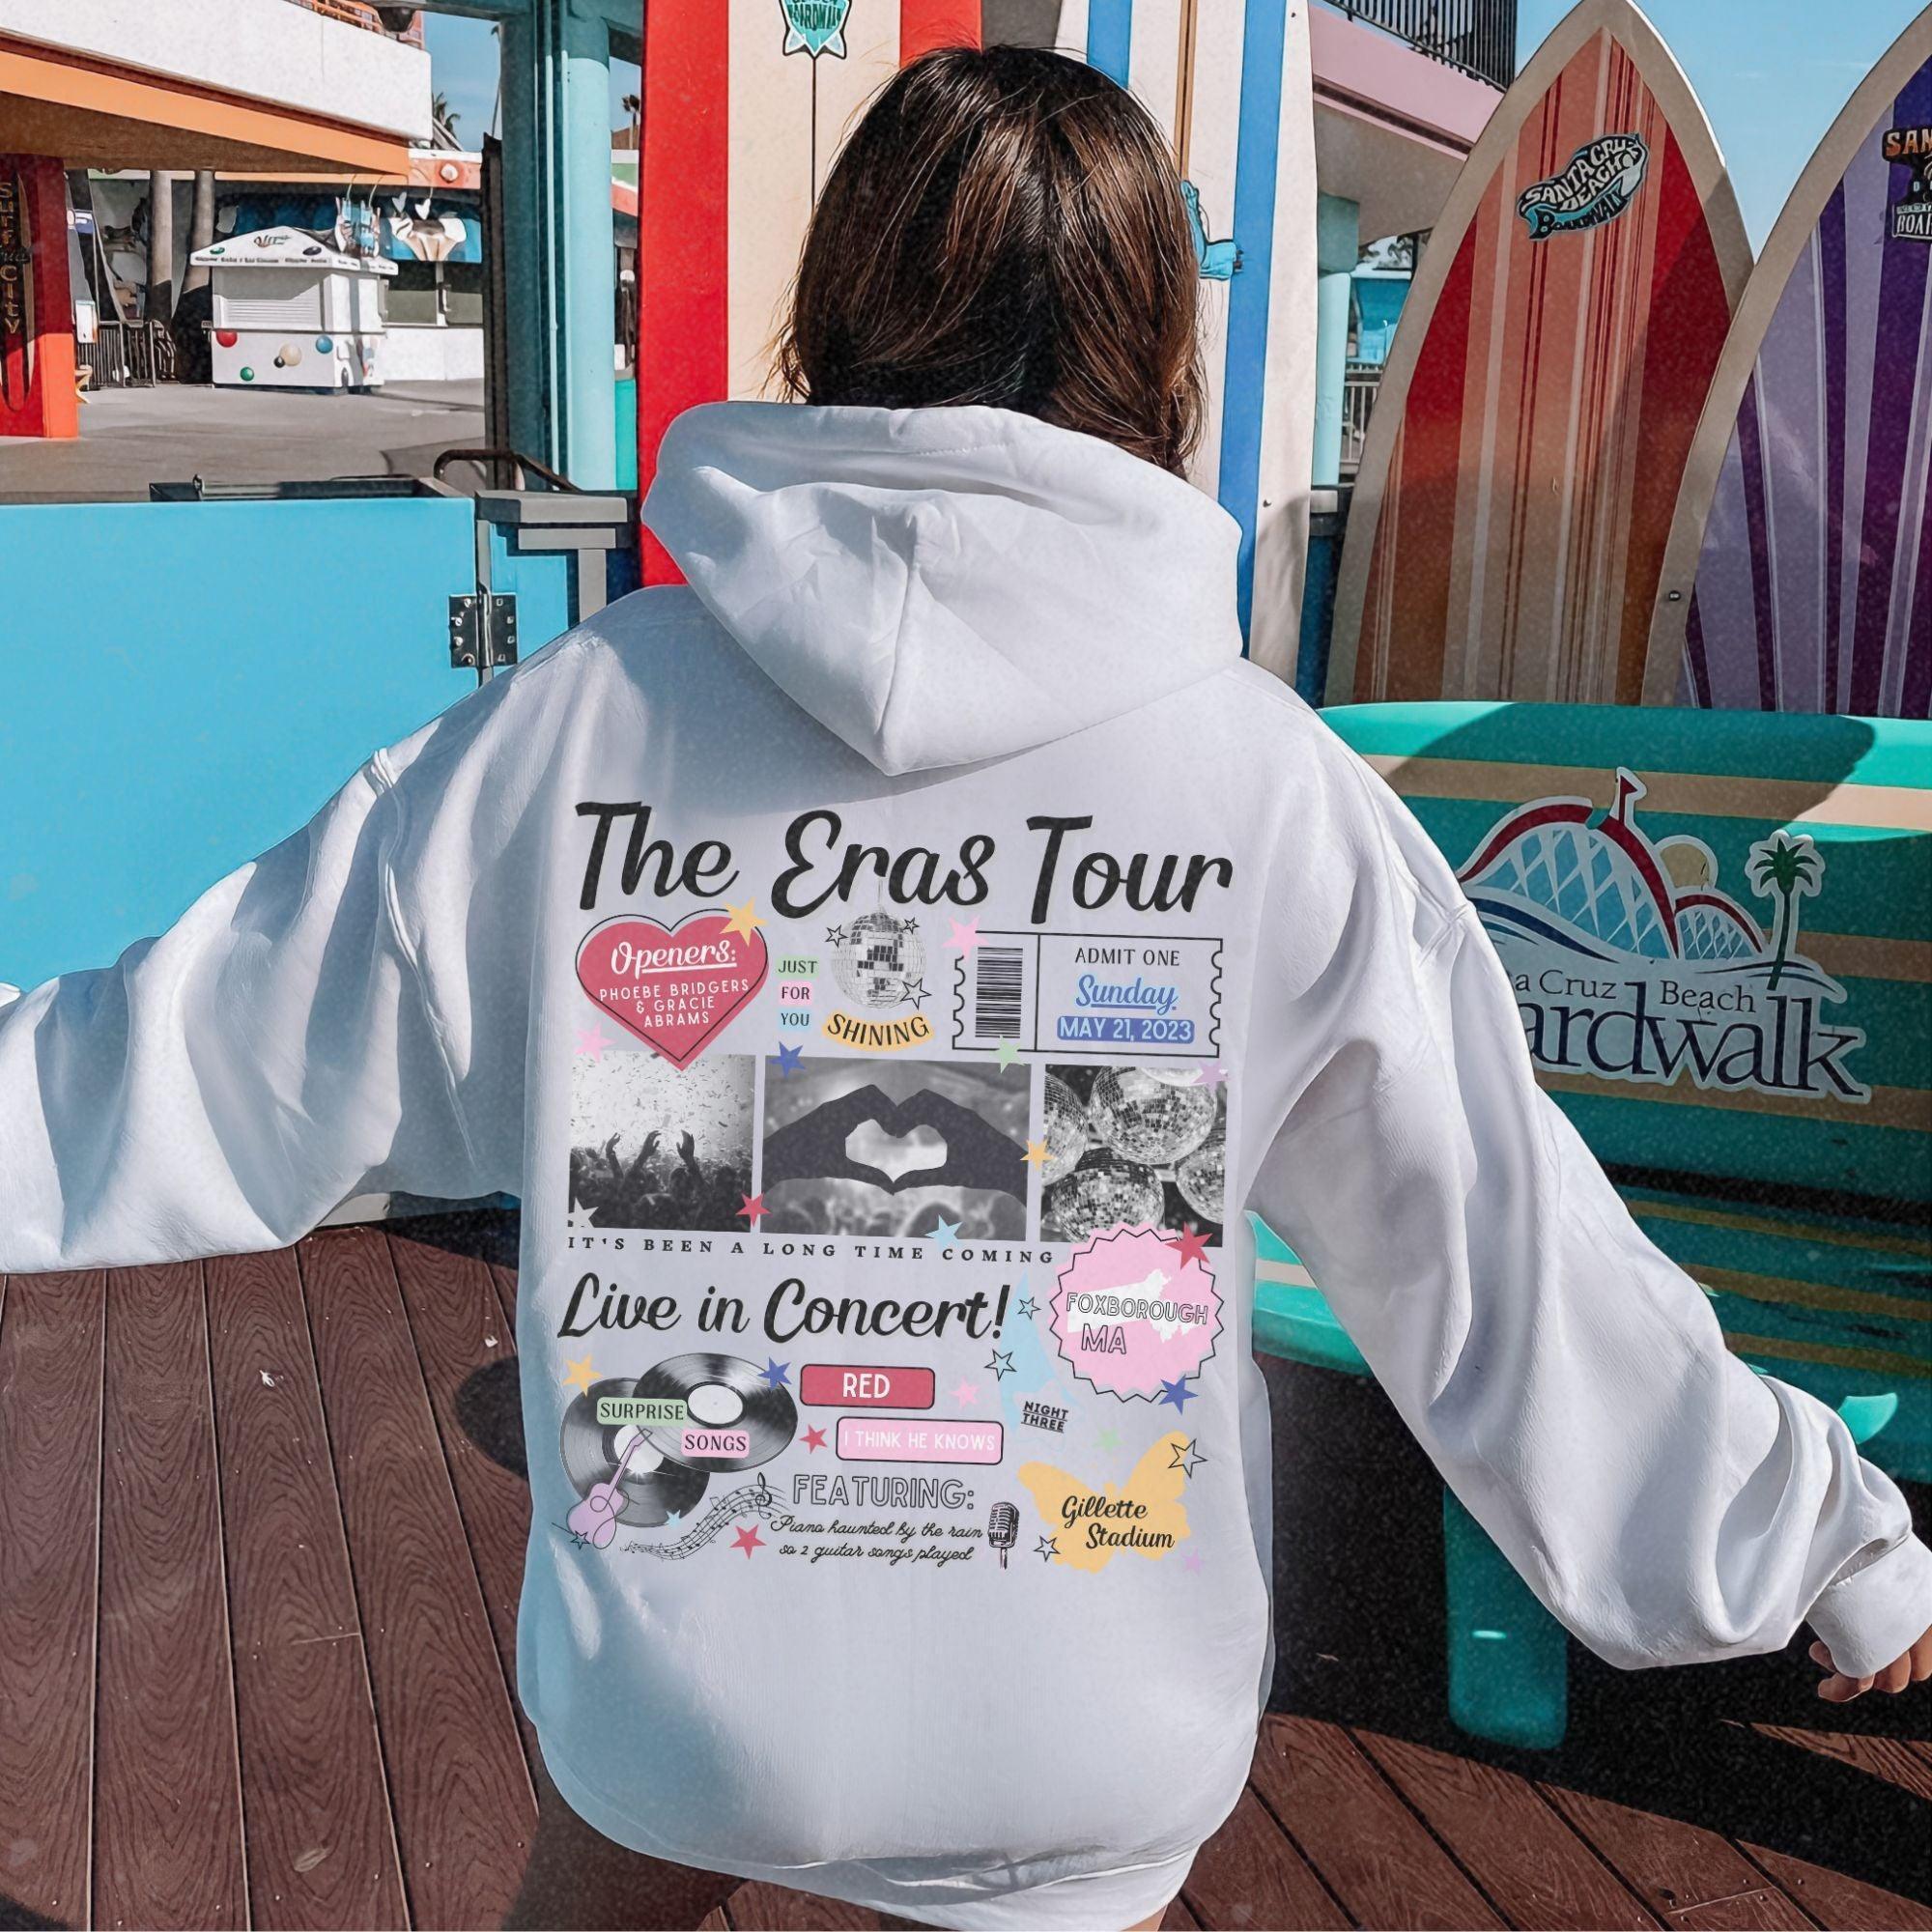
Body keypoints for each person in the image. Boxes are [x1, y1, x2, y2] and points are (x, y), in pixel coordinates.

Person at [1, 45, 1925, 1932]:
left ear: (835, 303)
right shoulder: (1269, 784)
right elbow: (1509, 1265)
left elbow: (192, 1056)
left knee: (636, 1793)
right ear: (1152, 348)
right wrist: (1826, 1542)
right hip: (1085, 1713)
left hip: (686, 1681)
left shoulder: (580, 720)